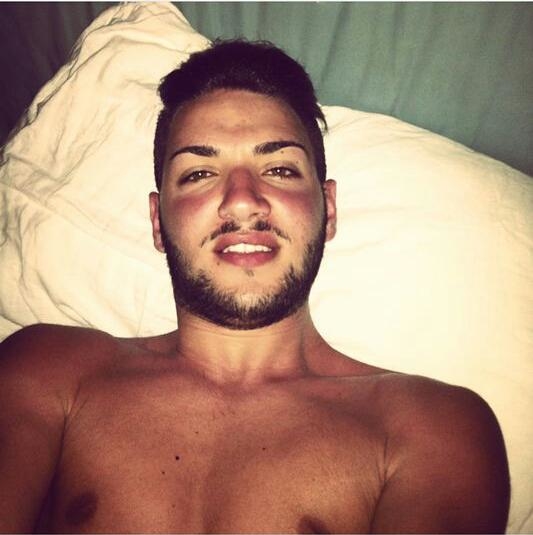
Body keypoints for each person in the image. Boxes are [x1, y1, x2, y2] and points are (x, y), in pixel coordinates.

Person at [0, 39, 510, 534]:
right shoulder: (50, 371)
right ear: (157, 221)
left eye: (280, 169)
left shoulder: (431, 430)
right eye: (199, 173)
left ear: (329, 209)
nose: (242, 201)